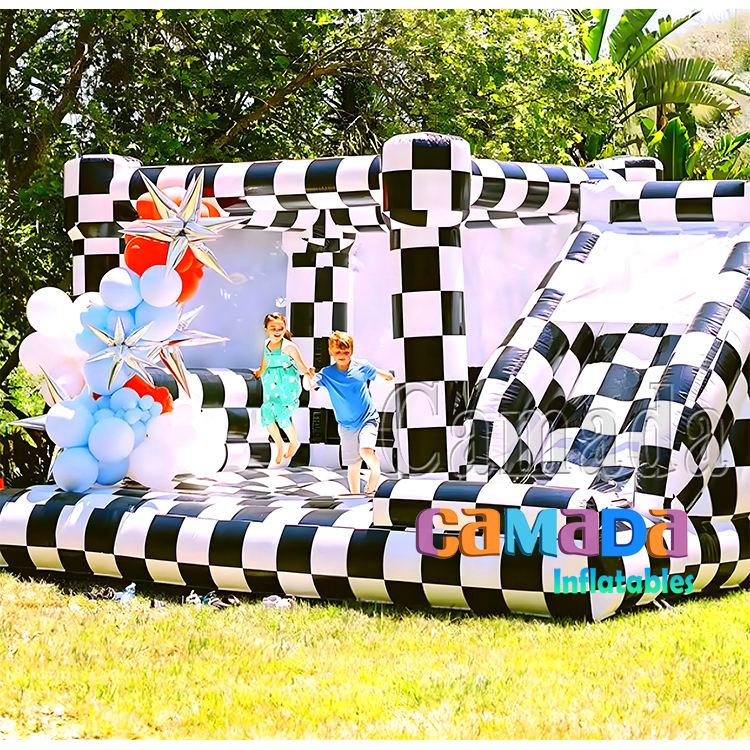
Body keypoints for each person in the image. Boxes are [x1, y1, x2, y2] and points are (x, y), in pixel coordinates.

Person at [307, 331, 394, 494]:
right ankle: (355, 495)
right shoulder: (327, 373)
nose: (342, 355)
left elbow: (377, 373)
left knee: (365, 451)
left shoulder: (361, 366)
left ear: (351, 351)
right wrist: (308, 377)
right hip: (346, 425)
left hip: (367, 418)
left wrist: (388, 376)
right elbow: (309, 386)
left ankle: (375, 471)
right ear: (331, 352)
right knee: (353, 465)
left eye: (346, 352)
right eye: (338, 351)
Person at [253, 313, 314, 465]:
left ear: (285, 328)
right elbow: (265, 361)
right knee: (267, 414)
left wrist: (309, 372)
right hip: (270, 384)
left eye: (280, 328)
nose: (277, 331)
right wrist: (259, 373)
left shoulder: (289, 347)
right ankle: (279, 445)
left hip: (287, 385)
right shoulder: (267, 343)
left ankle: (293, 442)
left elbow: (302, 366)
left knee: (282, 415)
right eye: (273, 328)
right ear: (266, 329)